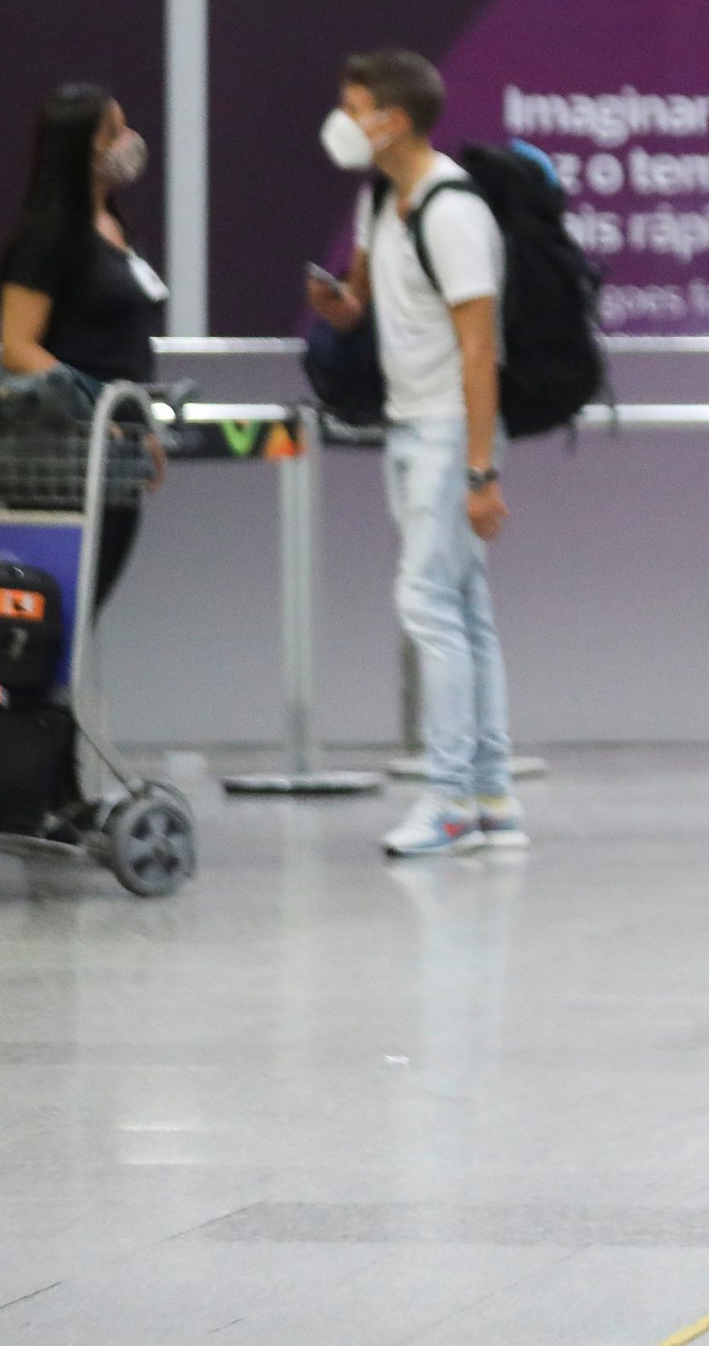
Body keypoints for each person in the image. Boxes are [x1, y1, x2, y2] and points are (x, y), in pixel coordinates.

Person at [305, 50, 523, 857]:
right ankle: (491, 794)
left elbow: (478, 351)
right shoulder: (381, 201)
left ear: (391, 120)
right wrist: (342, 305)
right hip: (407, 425)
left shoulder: (454, 212)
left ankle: (450, 798)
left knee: (431, 607)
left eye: (353, 104)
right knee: (462, 611)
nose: (342, 120)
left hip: (447, 433)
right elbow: (367, 302)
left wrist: (480, 470)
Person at [0, 84, 165, 607]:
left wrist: (140, 427)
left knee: (88, 611)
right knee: (60, 614)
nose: (128, 141)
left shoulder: (116, 228)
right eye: (114, 132)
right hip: (65, 458)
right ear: (81, 148)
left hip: (118, 459)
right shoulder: (46, 237)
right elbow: (18, 347)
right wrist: (96, 409)